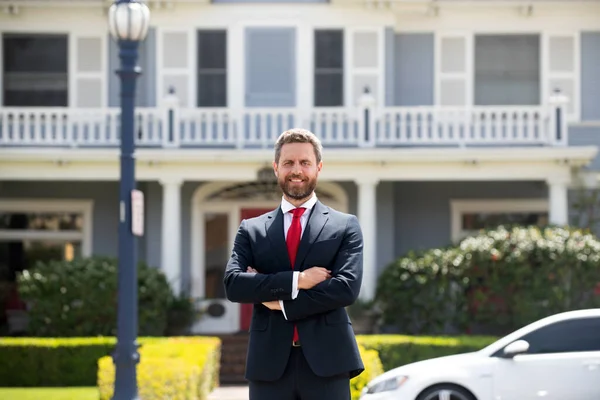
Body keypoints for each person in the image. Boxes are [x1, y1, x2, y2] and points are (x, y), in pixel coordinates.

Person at [223, 128, 365, 400]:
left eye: (305, 162)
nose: (296, 170)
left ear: (318, 168)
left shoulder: (345, 225)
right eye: (288, 163)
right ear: (276, 168)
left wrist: (278, 300)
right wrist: (298, 280)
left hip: (329, 361)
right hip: (269, 363)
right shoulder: (251, 229)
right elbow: (234, 285)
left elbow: (345, 289)